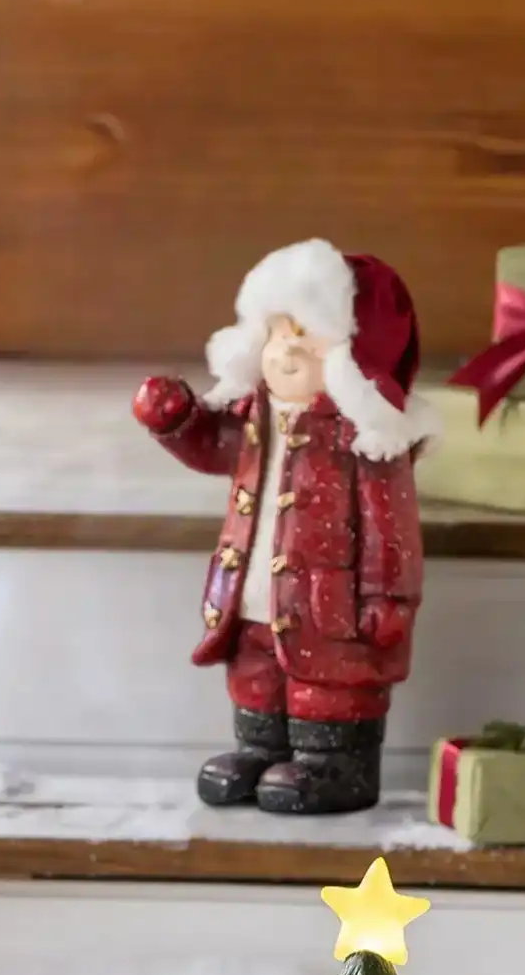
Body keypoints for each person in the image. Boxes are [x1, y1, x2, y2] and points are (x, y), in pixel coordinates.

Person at [134, 240, 434, 816]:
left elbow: (389, 527)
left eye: (309, 341)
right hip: (250, 595)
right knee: (256, 673)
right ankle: (260, 748)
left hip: (333, 606)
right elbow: (214, 449)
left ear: (353, 359)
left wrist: (391, 597)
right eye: (277, 335)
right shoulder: (253, 419)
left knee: (330, 682)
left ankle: (335, 764)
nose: (286, 355)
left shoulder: (368, 440)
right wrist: (175, 419)